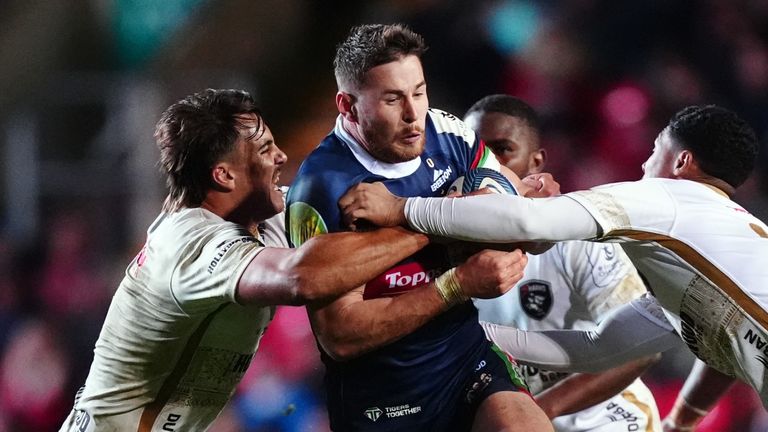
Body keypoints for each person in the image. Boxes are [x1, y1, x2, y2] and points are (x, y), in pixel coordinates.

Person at [340, 104, 767, 429]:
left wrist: (402, 208)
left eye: (653, 151)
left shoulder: (668, 198)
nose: (641, 165)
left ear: (681, 162)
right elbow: (594, 347)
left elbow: (528, 219)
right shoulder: (716, 248)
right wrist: (461, 333)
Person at [57, 88, 453, 432]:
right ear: (225, 176)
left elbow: (359, 205)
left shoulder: (259, 219)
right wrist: (431, 225)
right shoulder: (188, 243)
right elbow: (303, 278)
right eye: (265, 149)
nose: (281, 156)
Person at [286, 24, 554, 431]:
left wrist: (408, 215)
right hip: (383, 397)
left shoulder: (446, 131)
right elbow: (340, 335)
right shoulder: (321, 189)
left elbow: (507, 198)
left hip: (466, 359)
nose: (414, 115)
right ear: (348, 106)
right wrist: (457, 278)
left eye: (419, 91)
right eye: (393, 99)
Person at [465, 94, 662, 431]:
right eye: (475, 152)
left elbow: (641, 347)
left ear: (536, 162)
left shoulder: (580, 237)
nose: (487, 165)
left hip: (604, 418)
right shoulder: (440, 244)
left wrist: (541, 411)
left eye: (502, 150)